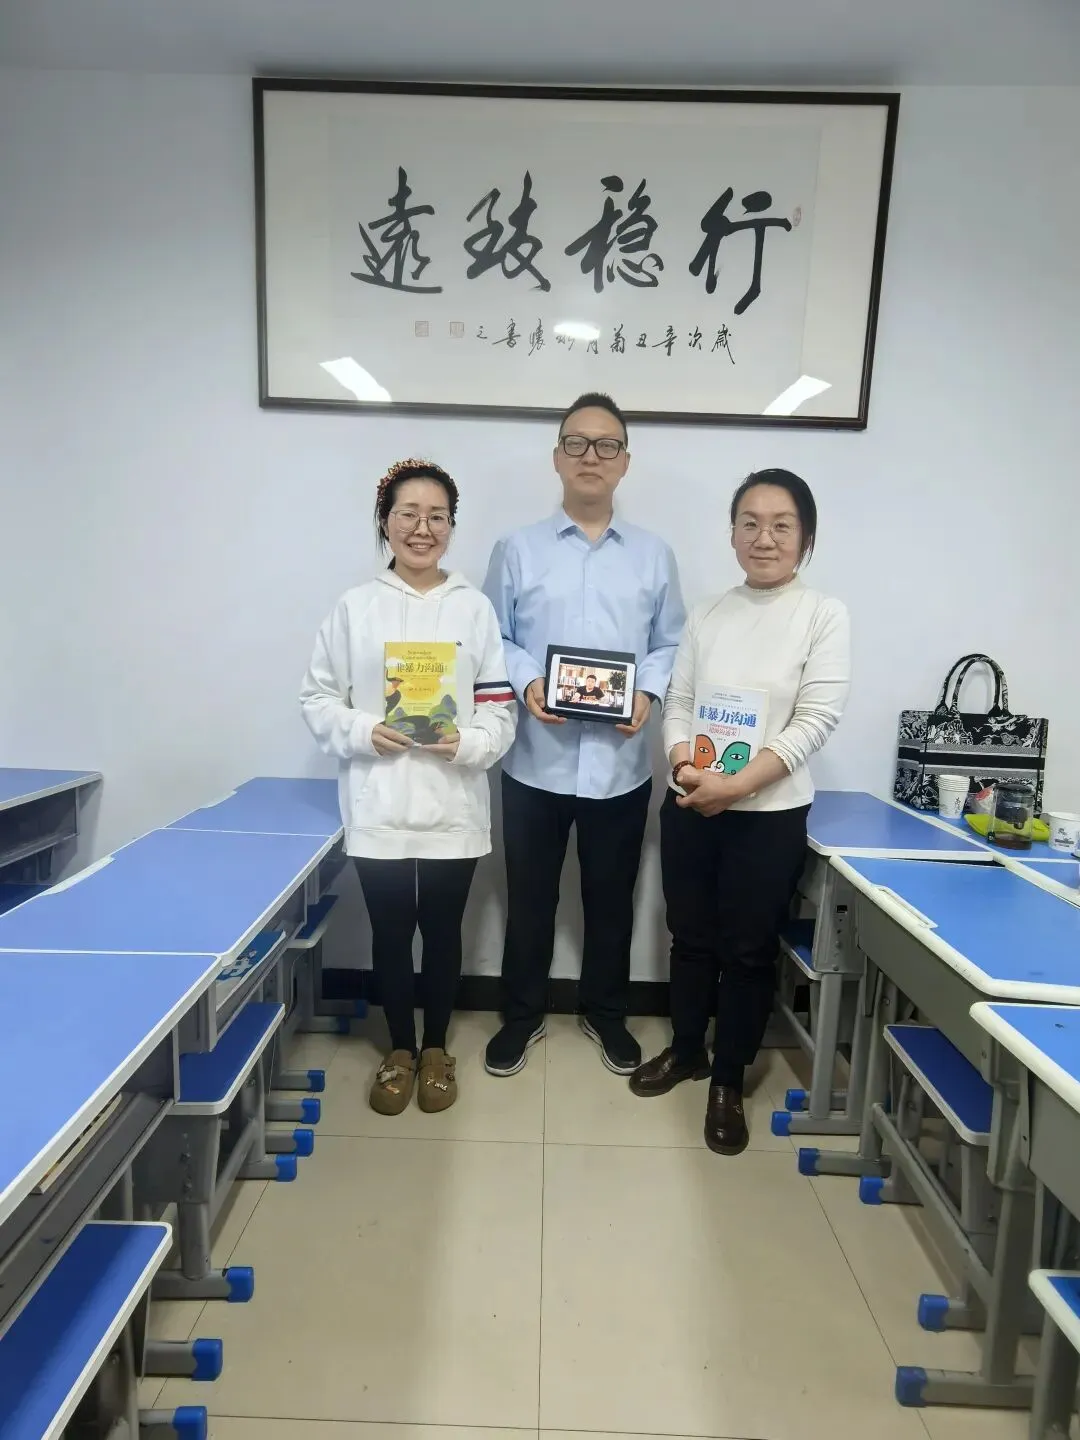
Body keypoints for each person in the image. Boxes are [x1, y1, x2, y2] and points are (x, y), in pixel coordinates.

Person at [630, 468, 851, 1155]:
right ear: (732, 534)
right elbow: (680, 700)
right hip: (692, 799)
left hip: (768, 815)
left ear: (805, 538)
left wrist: (737, 786)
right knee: (690, 937)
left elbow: (814, 720)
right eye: (750, 523)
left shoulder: (823, 615)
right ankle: (687, 1050)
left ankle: (728, 1080)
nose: (764, 538)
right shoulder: (709, 612)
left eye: (782, 525)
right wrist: (684, 768)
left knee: (749, 951)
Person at [300, 459, 516, 1116]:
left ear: (452, 526)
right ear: (385, 521)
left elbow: (498, 707)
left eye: (437, 517)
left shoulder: (473, 607)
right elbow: (317, 698)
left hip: (453, 799)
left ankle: (437, 1049)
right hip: (380, 800)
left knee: (443, 931)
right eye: (408, 515)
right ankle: (399, 1048)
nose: (423, 529)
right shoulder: (355, 607)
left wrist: (468, 743)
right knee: (391, 933)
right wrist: (364, 730)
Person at [483, 392, 685, 1077]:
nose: (590, 456)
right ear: (557, 458)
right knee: (529, 901)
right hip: (533, 763)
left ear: (625, 462)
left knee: (610, 903)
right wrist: (527, 682)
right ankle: (521, 1016)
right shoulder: (516, 548)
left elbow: (670, 642)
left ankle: (606, 1014)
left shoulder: (654, 555)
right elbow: (493, 636)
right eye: (576, 443)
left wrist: (647, 693)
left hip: (620, 764)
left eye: (606, 445)